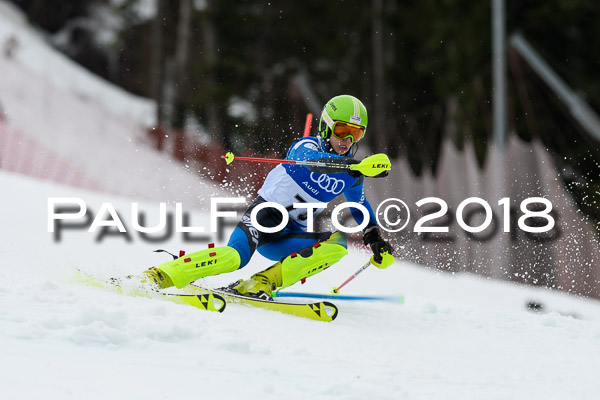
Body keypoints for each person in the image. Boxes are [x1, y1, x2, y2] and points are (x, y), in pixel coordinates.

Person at [142, 94, 395, 299]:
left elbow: (360, 207)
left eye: (356, 134)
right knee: (234, 258)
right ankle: (160, 274)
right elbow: (313, 162)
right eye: (342, 130)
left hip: (290, 234)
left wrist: (374, 238)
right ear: (326, 126)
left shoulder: (351, 175)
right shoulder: (306, 146)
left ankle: (261, 283)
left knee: (338, 245)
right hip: (265, 218)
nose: (347, 140)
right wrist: (354, 166)